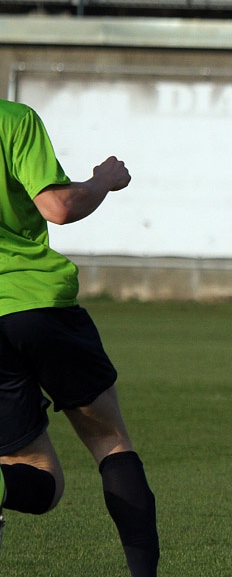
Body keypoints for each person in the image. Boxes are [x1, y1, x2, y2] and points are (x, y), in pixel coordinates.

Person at [0, 100, 159, 576]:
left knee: (36, 477)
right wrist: (103, 180)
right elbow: (59, 208)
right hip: (35, 303)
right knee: (110, 440)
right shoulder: (13, 120)